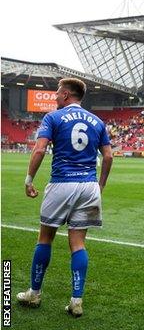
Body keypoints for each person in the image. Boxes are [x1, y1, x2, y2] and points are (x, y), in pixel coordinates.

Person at [17, 78, 113, 317]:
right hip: (89, 186)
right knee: (78, 244)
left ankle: (34, 293)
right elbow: (109, 156)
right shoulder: (98, 121)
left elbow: (39, 149)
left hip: (62, 182)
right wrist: (100, 185)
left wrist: (29, 180)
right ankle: (76, 301)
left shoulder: (53, 117)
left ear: (68, 95)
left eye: (58, 93)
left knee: (45, 238)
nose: (55, 97)